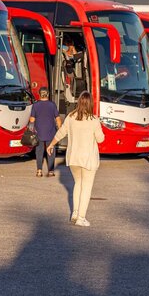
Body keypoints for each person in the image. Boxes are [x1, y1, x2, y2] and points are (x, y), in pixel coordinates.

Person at [47, 91, 104, 227]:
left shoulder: (71, 117)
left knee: (78, 184)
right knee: (86, 187)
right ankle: (81, 218)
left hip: (73, 158)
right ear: (90, 104)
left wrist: (51, 145)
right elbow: (100, 139)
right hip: (88, 159)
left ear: (79, 102)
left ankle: (75, 212)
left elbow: (61, 132)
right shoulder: (94, 120)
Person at [29, 87, 62, 176]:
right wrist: (60, 130)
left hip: (39, 132)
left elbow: (32, 120)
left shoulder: (35, 105)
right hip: (50, 132)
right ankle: (50, 171)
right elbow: (58, 119)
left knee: (39, 151)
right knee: (50, 150)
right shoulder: (52, 105)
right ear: (48, 94)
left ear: (39, 94)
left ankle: (39, 171)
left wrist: (31, 130)